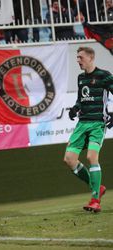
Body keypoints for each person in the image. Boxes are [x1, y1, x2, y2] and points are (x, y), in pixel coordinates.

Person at [64, 46, 113, 213]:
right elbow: (81, 98)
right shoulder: (80, 78)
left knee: (92, 156)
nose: (78, 60)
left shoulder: (104, 76)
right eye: (77, 57)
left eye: (80, 57)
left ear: (91, 58)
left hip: (97, 123)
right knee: (69, 159)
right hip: (82, 123)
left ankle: (95, 200)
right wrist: (74, 108)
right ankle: (97, 187)